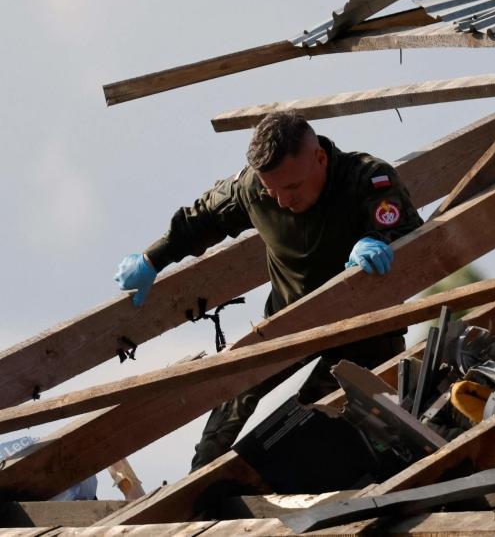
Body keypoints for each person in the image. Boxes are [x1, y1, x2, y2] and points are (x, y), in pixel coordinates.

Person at [114, 110, 423, 469]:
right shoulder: (252, 189)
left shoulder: (367, 179)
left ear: (320, 159)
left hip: (366, 333)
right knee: (229, 403)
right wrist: (152, 259)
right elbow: (201, 218)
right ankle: (199, 483)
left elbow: (413, 235)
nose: (282, 201)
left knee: (318, 429)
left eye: (292, 188)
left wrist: (380, 240)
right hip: (289, 321)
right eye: (271, 189)